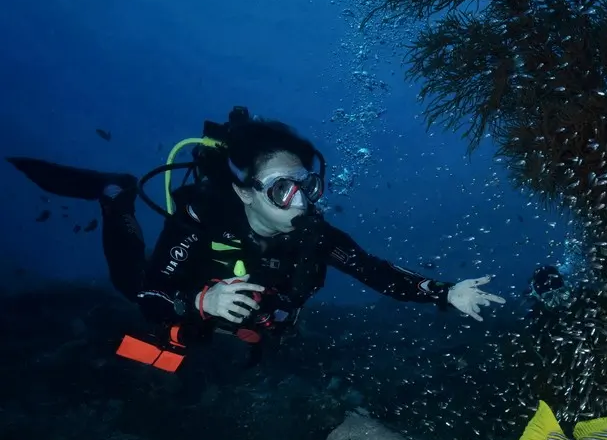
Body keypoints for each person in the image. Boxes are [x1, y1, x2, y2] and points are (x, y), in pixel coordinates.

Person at [6, 107, 505, 371]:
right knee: (129, 283)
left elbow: (372, 271)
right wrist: (201, 298)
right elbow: (155, 295)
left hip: (248, 324)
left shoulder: (314, 234)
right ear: (246, 192)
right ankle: (115, 196)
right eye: (283, 189)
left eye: (308, 187)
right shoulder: (207, 211)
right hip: (188, 293)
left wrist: (443, 293)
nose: (303, 203)